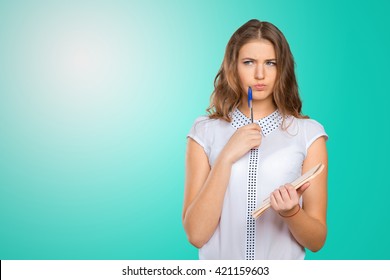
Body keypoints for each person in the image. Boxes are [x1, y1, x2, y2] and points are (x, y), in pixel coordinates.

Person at [182, 19, 328, 260]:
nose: (260, 74)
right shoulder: (204, 132)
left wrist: (292, 212)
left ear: (283, 69)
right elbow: (196, 235)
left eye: (271, 63)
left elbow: (316, 241)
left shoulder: (308, 134)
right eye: (249, 62)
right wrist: (227, 156)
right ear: (233, 66)